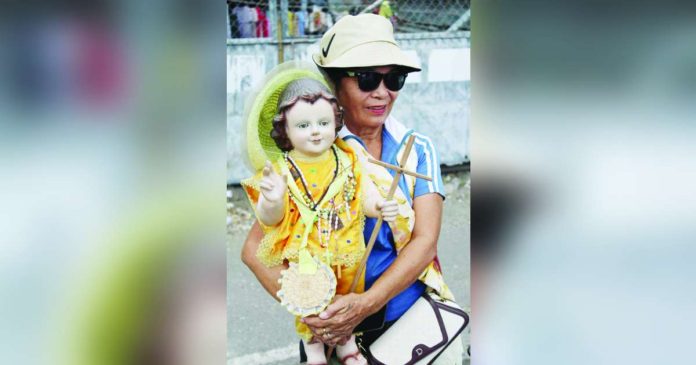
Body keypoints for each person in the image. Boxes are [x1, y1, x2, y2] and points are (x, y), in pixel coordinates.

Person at [241, 14, 463, 364]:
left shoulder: (417, 150)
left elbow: (425, 241)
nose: (382, 92)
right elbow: (254, 251)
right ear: (332, 83)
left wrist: (364, 304)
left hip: (409, 322)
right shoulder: (306, 159)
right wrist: (310, 309)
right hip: (331, 333)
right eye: (367, 78)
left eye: (394, 79)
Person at [241, 77, 398, 365]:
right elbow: (270, 220)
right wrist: (273, 201)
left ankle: (346, 342)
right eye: (303, 126)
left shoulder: (347, 158)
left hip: (347, 248)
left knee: (346, 296)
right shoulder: (283, 170)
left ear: (336, 122)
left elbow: (363, 193)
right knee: (310, 299)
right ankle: (314, 348)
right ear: (285, 130)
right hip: (307, 253)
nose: (315, 133)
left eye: (323, 124)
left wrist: (378, 206)